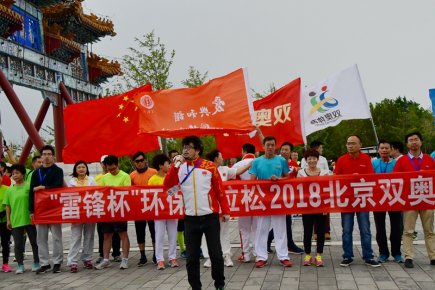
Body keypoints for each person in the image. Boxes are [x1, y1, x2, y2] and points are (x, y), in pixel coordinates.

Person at [164, 136, 229, 290]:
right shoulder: (179, 167)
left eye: (189, 147)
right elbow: (167, 185)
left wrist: (226, 210)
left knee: (216, 255)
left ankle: (219, 284)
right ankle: (195, 287)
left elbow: (220, 191)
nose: (185, 150)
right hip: (190, 219)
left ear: (197, 150)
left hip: (210, 217)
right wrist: (174, 166)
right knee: (191, 258)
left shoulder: (210, 166)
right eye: (184, 147)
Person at [334, 136, 380, 267]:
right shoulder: (341, 160)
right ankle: (347, 256)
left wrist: (359, 179)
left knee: (365, 229)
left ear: (360, 145)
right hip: (347, 200)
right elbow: (336, 179)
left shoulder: (366, 159)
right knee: (347, 229)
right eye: (348, 143)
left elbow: (371, 178)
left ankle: (368, 256)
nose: (350, 146)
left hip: (362, 199)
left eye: (353, 143)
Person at [202, 149, 251, 268]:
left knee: (224, 231)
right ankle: (209, 257)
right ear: (215, 158)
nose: (223, 158)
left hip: (221, 206)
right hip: (208, 207)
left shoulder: (224, 170)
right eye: (221, 156)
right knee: (207, 233)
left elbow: (238, 171)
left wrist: (250, 164)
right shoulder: (204, 170)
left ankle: (226, 255)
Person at [393, 132, 435, 268]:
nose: (414, 142)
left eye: (416, 139)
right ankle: (408, 256)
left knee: (429, 230)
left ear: (421, 142)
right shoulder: (402, 161)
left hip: (427, 200)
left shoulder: (429, 159)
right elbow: (395, 180)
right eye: (410, 140)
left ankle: (433, 256)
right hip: (409, 201)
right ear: (407, 144)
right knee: (408, 230)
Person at [250, 136, 292, 268]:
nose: (270, 147)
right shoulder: (256, 162)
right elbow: (251, 181)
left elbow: (287, 178)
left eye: (272, 145)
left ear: (275, 146)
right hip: (263, 200)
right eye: (268, 145)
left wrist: (278, 179)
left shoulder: (281, 160)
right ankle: (261, 256)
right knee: (261, 228)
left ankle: (283, 256)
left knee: (280, 228)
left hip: (278, 200)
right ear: (263, 146)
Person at [29, 145, 64, 274]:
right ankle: (44, 263)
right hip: (40, 210)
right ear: (41, 156)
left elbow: (58, 186)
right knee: (41, 238)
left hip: (54, 209)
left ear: (53, 157)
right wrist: (31, 210)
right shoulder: (35, 173)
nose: (47, 156)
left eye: (49, 154)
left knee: (56, 237)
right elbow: (31, 193)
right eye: (44, 154)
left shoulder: (58, 171)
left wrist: (43, 188)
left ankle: (57, 262)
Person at [95, 155, 131, 270]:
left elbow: (127, 192)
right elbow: (102, 193)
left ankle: (125, 259)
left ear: (117, 165)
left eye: (113, 169)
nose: (111, 171)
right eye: (109, 169)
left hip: (120, 209)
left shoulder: (125, 176)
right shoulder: (105, 177)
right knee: (106, 235)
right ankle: (106, 259)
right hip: (108, 210)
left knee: (122, 234)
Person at [267, 142, 304, 255]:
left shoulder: (293, 163)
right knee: (284, 221)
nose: (284, 151)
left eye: (286, 150)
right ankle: (289, 245)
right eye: (282, 149)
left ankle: (270, 242)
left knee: (286, 221)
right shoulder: (275, 161)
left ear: (291, 152)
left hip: (289, 196)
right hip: (277, 196)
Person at [3, 164, 39, 274]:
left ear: (23, 174)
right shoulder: (9, 190)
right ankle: (20, 265)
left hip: (29, 219)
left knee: (34, 242)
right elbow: (7, 206)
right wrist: (8, 220)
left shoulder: (29, 186)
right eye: (13, 174)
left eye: (17, 173)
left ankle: (36, 262)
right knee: (18, 244)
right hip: (16, 220)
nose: (15, 175)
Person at [297, 149, 330, 267]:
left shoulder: (325, 173)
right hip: (306, 207)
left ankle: (319, 255)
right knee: (307, 231)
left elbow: (328, 191)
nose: (312, 160)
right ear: (306, 160)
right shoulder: (301, 173)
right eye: (309, 158)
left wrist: (327, 207)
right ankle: (307, 254)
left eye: (314, 158)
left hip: (321, 206)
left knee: (320, 231)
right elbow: (298, 190)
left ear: (318, 159)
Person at [371, 140, 402, 263]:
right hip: (378, 200)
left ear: (391, 149)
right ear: (378, 150)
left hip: (394, 198)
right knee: (380, 228)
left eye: (387, 148)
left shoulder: (397, 163)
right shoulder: (374, 163)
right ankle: (383, 253)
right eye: (382, 148)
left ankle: (397, 253)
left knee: (396, 227)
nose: (384, 150)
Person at [149, 154, 179, 270]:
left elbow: (177, 189)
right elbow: (150, 195)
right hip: (159, 212)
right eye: (168, 164)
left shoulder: (172, 177)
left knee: (173, 235)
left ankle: (172, 257)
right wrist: (164, 196)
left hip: (172, 210)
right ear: (161, 166)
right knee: (159, 235)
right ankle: (160, 259)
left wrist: (167, 194)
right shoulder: (152, 180)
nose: (170, 166)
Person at [66, 161, 97, 272]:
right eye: (79, 167)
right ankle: (72, 262)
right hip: (76, 212)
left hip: (89, 212)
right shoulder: (71, 182)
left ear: (86, 169)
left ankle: (87, 258)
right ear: (75, 169)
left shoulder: (92, 180)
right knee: (76, 237)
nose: (81, 169)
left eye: (83, 167)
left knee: (89, 236)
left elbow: (96, 194)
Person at [130, 151, 157, 266]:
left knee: (154, 232)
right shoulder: (131, 176)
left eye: (142, 160)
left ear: (145, 160)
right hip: (139, 209)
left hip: (152, 207)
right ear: (134, 163)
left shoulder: (154, 172)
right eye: (137, 161)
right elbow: (128, 193)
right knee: (140, 232)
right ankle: (142, 255)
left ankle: (156, 254)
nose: (140, 163)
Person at [301, 140, 331, 241]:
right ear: (316, 148)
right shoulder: (304, 160)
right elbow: (302, 174)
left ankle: (326, 231)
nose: (312, 161)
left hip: (321, 191)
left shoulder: (323, 159)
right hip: (308, 193)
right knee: (311, 215)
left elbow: (327, 173)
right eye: (321, 148)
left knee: (324, 213)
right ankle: (315, 233)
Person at [233, 143, 257, 263]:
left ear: (243, 151)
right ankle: (258, 254)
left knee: (244, 228)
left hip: (243, 200)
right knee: (258, 228)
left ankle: (246, 255)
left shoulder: (237, 165)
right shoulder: (260, 162)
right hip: (260, 200)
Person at [95, 155, 121, 263]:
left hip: (117, 208)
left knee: (116, 233)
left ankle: (116, 253)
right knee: (103, 233)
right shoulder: (98, 178)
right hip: (103, 209)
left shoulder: (122, 175)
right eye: (103, 163)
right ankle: (102, 254)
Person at [169, 150, 187, 259]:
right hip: (177, 205)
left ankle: (194, 247)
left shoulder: (186, 168)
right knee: (180, 229)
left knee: (189, 227)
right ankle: (183, 249)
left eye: (178, 156)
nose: (177, 159)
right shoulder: (171, 171)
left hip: (188, 203)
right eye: (174, 157)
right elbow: (168, 191)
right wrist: (178, 187)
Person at [0, 173, 12, 273]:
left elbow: (10, 204)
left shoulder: (7, 189)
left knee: (5, 243)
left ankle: (5, 264)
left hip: (4, 220)